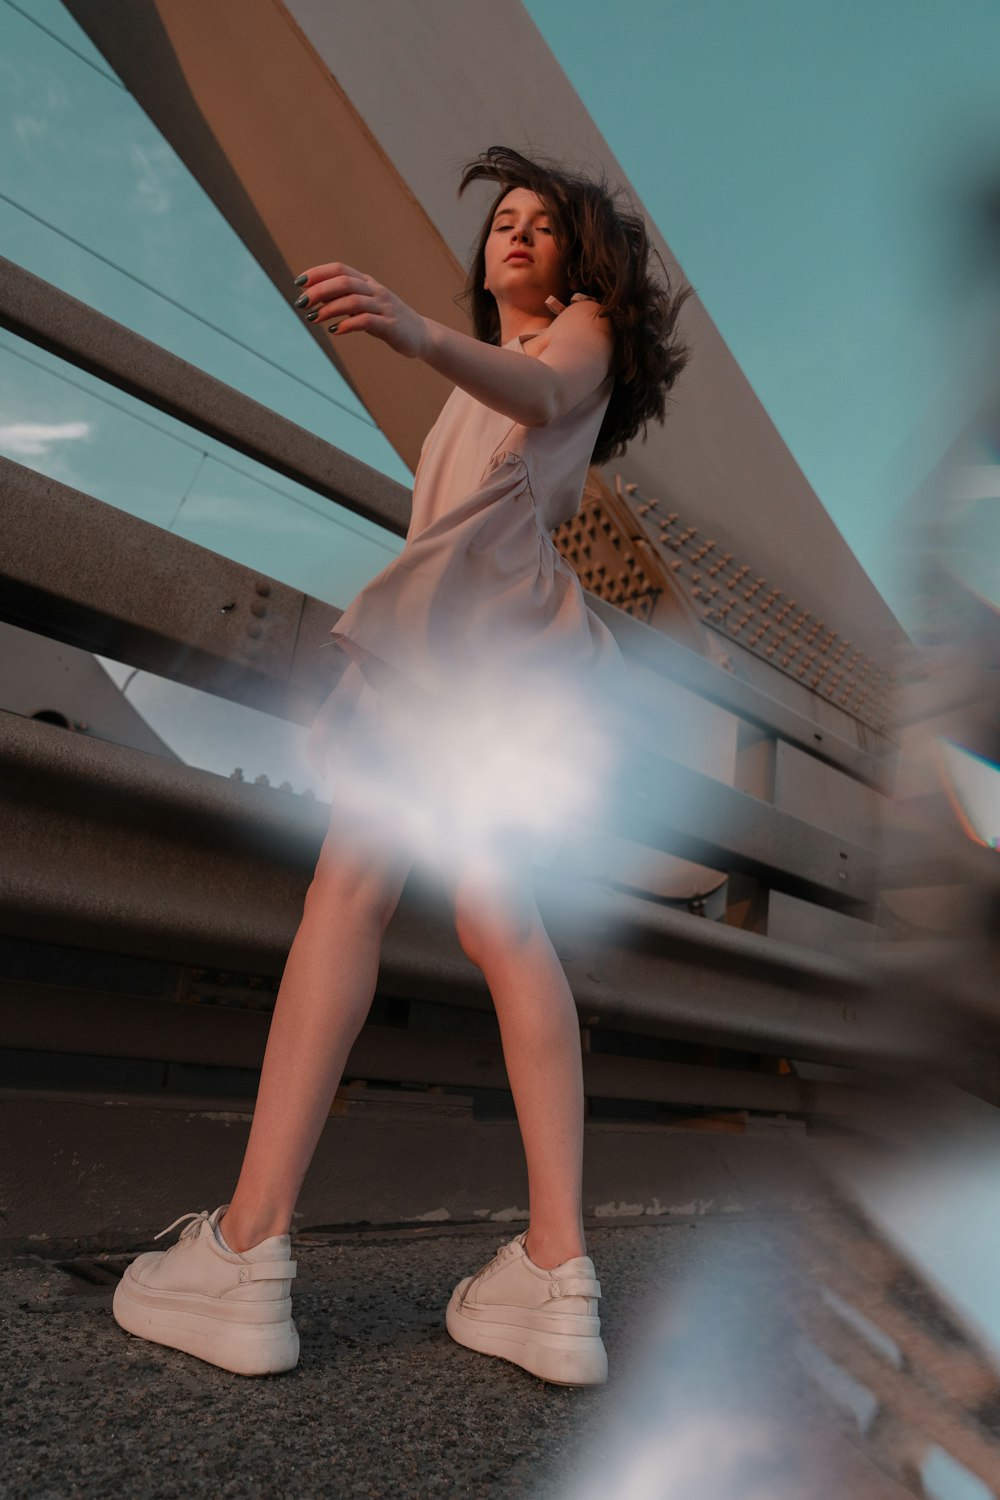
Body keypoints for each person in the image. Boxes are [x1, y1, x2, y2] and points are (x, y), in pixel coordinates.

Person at [112, 146, 692, 1387]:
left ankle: (249, 1249)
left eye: (544, 224)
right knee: (495, 920)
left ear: (583, 266)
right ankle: (553, 1273)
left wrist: (422, 332)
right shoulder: (487, 377)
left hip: (475, 654)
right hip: (485, 661)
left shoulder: (571, 337)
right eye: (504, 222)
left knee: (353, 898)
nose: (517, 235)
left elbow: (545, 404)